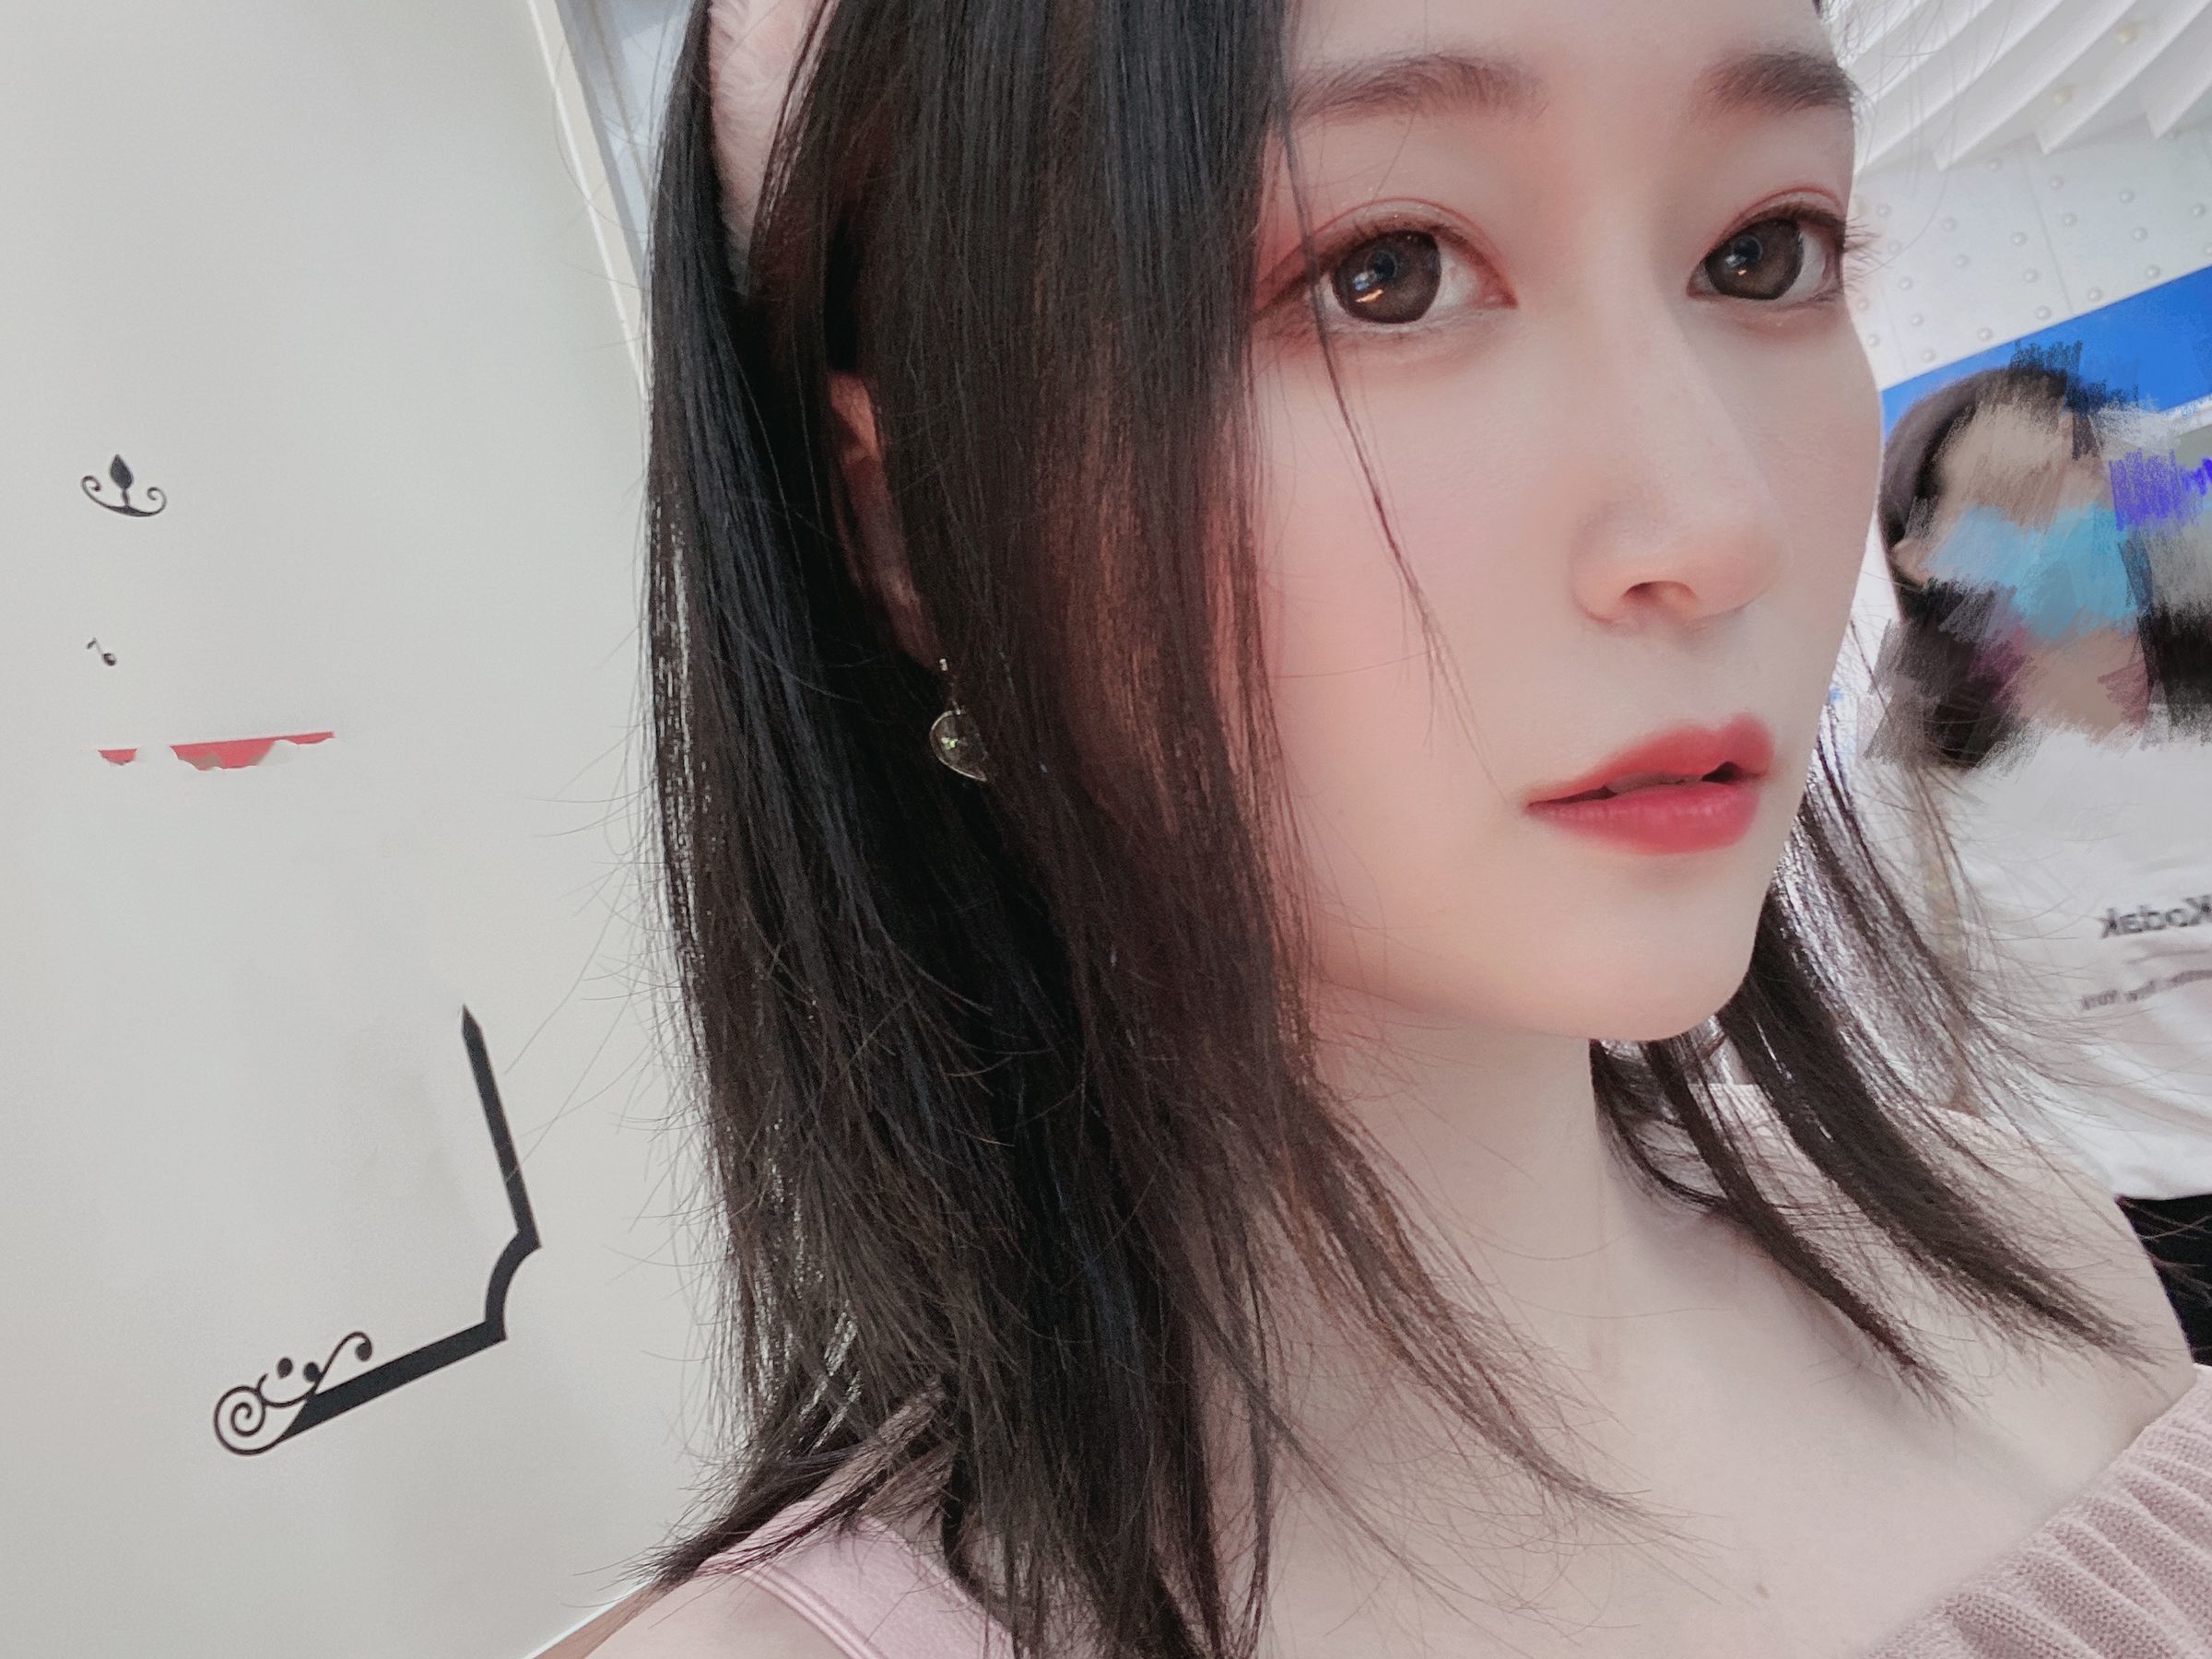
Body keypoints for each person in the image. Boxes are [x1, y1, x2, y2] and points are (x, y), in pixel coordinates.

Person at [588, 1, 2209, 1654]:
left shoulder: (2040, 1267)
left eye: (1763, 253)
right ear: (908, 526)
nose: (1720, 525)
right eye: (1386, 276)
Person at [1866, 359, 2212, 1360]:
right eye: (2016, 497)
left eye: (2086, 469)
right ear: (1929, 560)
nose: (2077, 513)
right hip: (2118, 1240)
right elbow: (1909, 1064)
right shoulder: (1911, 789)